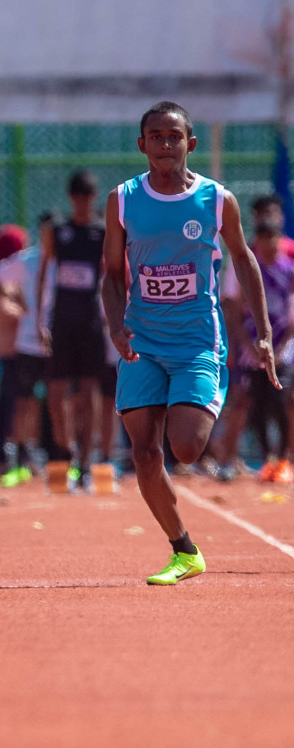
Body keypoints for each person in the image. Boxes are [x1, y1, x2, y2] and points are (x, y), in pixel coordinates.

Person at [103, 101, 275, 585]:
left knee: (185, 447)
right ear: (141, 145)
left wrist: (262, 333)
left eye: (173, 136)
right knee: (143, 453)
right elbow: (111, 275)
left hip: (198, 342)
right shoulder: (122, 200)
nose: (164, 144)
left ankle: (201, 396)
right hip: (142, 339)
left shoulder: (217, 200)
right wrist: (116, 324)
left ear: (189, 143)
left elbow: (243, 261)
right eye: (154, 136)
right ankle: (184, 548)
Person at [37, 171, 109, 491]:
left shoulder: (103, 232)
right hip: (61, 322)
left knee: (89, 392)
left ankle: (87, 463)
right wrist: (40, 320)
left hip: (91, 321)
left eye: (88, 196)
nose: (82, 202)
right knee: (56, 393)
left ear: (94, 198)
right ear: (71, 198)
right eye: (77, 196)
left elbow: (114, 276)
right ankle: (64, 452)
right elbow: (44, 273)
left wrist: (115, 318)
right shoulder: (59, 232)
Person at [217, 220, 294, 483]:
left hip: (283, 348)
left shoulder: (289, 268)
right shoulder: (250, 270)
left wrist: (283, 345)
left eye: (273, 237)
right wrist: (245, 346)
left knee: (284, 402)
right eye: (263, 237)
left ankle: (284, 459)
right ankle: (261, 460)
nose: (268, 243)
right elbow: (236, 311)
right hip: (252, 349)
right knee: (252, 404)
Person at [0, 217, 54, 486]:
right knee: (17, 403)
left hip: (50, 343)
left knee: (51, 403)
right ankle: (13, 457)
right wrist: (16, 305)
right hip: (20, 347)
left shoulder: (62, 261)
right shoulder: (25, 262)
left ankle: (48, 456)